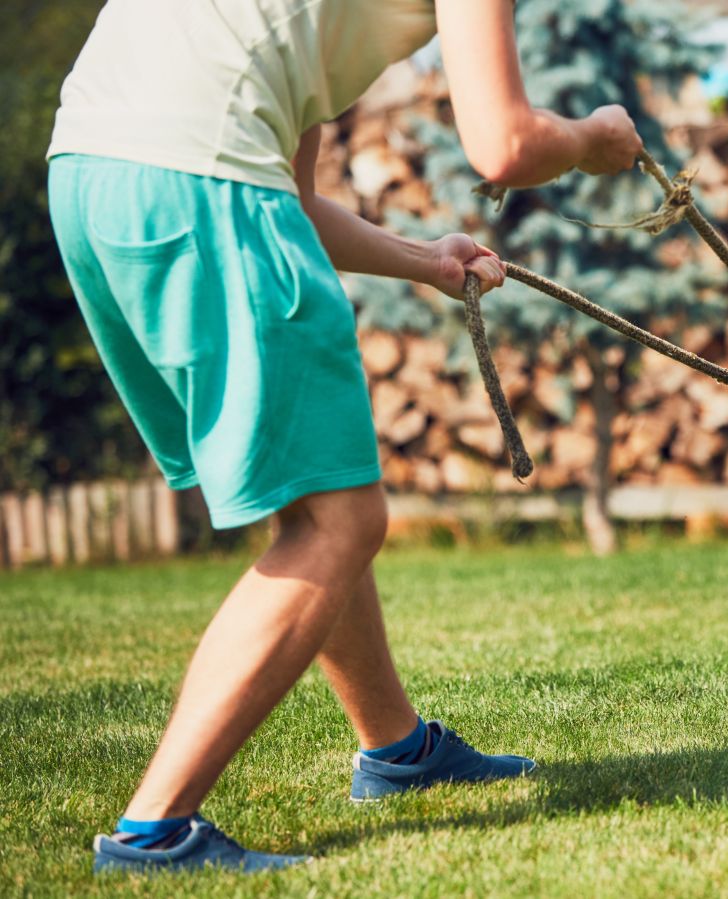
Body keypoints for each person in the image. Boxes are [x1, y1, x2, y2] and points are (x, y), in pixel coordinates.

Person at [47, 0, 642, 875]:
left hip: (94, 174)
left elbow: (292, 197)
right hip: (201, 181)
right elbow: (504, 145)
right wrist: (597, 138)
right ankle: (154, 831)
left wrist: (423, 261)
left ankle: (396, 749)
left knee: (322, 493)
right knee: (341, 524)